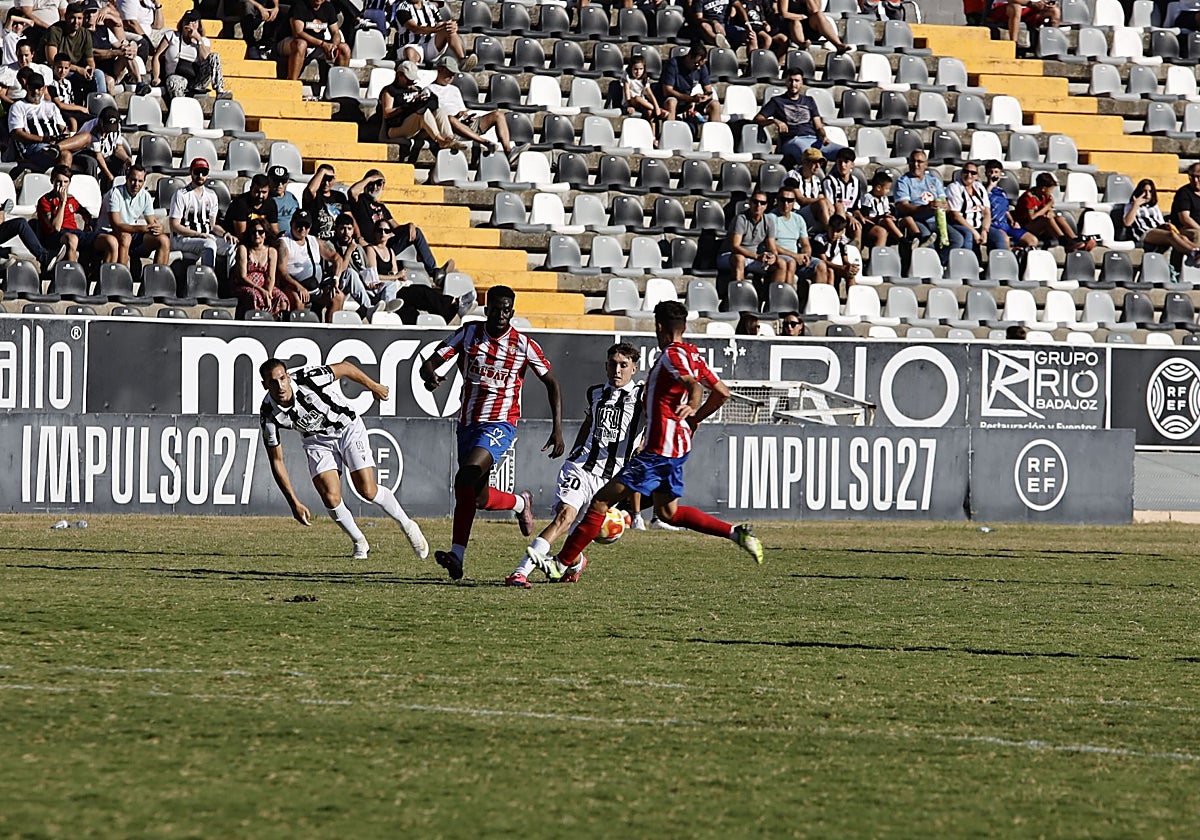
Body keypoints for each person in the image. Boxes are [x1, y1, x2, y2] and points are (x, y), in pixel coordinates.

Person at [533, 300, 763, 584]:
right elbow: (723, 393)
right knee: (669, 513)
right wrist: (694, 419)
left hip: (657, 450)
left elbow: (695, 386)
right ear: (685, 326)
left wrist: (692, 405)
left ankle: (561, 563)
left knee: (600, 501)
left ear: (658, 327)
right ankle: (735, 532)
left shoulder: (671, 355)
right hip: (677, 450)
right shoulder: (693, 354)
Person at [418, 285, 565, 581]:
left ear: (512, 311)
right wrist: (430, 376)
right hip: (468, 424)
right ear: (486, 310)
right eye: (495, 308)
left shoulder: (523, 345)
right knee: (478, 498)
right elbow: (430, 363)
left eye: (506, 309)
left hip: (500, 424)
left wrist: (557, 429)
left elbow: (552, 383)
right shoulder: (469, 333)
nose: (500, 314)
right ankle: (521, 503)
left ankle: (457, 555)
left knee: (466, 477)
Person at [504, 342, 646, 588]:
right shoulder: (595, 393)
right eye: (613, 365)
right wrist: (574, 449)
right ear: (605, 366)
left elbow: (659, 420)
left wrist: (644, 444)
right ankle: (520, 572)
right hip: (580, 467)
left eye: (624, 365)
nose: (618, 370)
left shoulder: (642, 396)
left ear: (634, 368)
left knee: (574, 537)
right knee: (564, 517)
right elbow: (588, 423)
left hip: (609, 481)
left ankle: (576, 563)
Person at [259, 358, 428, 563]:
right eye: (273, 382)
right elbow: (276, 460)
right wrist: (293, 503)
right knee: (330, 497)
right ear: (265, 385)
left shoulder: (307, 378)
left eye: (282, 378)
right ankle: (359, 541)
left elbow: (346, 367)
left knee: (367, 490)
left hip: (347, 427)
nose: (280, 385)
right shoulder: (268, 414)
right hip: (316, 441)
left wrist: (374, 386)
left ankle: (408, 525)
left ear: (287, 376)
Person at [348, 168, 456, 283]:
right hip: (371, 245)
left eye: (379, 184)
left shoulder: (382, 207)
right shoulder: (360, 200)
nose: (375, 187)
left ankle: (435, 273)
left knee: (416, 232)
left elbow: (395, 227)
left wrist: (409, 226)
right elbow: (352, 192)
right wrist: (370, 178)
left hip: (386, 245)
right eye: (372, 184)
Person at [358, 217, 473, 323]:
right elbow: (373, 277)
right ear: (375, 233)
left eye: (386, 231)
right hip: (382, 290)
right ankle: (453, 303)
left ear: (390, 234)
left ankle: (449, 315)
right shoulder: (371, 250)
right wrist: (396, 276)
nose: (383, 233)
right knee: (422, 292)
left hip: (394, 288)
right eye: (380, 230)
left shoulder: (390, 252)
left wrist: (400, 278)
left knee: (411, 312)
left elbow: (394, 273)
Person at [425, 54, 524, 162]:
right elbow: (432, 114)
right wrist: (455, 117)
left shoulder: (455, 89)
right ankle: (484, 142)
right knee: (450, 118)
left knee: (498, 114)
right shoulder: (429, 90)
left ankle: (509, 150)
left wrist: (465, 115)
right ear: (440, 70)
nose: (451, 77)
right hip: (449, 128)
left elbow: (462, 109)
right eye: (449, 73)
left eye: (453, 74)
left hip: (464, 123)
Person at [754, 68, 840, 165]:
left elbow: (819, 125)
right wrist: (774, 121)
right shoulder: (777, 101)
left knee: (844, 153)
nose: (793, 84)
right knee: (808, 154)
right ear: (786, 82)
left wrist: (824, 136)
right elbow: (758, 119)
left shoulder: (809, 101)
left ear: (802, 82)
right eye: (790, 80)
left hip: (813, 139)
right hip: (793, 140)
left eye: (797, 81)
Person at [168, 156, 238, 270]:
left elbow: (212, 225)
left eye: (204, 172)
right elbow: (174, 226)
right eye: (197, 172)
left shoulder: (211, 195)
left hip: (205, 235)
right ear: (191, 172)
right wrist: (197, 234)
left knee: (232, 245)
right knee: (209, 245)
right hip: (182, 238)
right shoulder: (181, 194)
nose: (200, 176)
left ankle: (231, 280)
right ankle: (207, 280)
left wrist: (225, 234)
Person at [8, 72, 88, 170]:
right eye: (33, 88)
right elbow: (17, 133)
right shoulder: (18, 106)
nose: (36, 92)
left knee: (87, 136)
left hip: (56, 143)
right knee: (65, 154)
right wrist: (43, 139)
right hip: (35, 147)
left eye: (39, 88)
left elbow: (62, 127)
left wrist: (67, 134)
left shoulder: (51, 106)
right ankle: (61, 181)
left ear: (44, 88)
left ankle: (56, 148)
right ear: (27, 87)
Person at [97, 162, 170, 265]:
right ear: (127, 178)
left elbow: (152, 221)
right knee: (125, 237)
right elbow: (116, 225)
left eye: (140, 181)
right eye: (133, 180)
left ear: (144, 182)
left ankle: (158, 277)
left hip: (132, 234)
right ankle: (123, 277)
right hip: (109, 233)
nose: (136, 184)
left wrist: (158, 227)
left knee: (163, 240)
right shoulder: (115, 194)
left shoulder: (145, 196)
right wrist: (141, 228)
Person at [892, 149, 963, 255]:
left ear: (926, 164)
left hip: (936, 220)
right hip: (916, 220)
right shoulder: (903, 181)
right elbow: (902, 207)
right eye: (912, 161)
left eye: (919, 162)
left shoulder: (933, 180)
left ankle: (940, 263)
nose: (916, 165)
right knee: (927, 239)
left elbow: (945, 202)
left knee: (957, 239)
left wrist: (945, 205)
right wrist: (925, 208)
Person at [377, 59, 460, 148]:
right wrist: (407, 106)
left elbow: (432, 106)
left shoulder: (416, 89)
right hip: (397, 128)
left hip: (417, 128)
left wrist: (425, 100)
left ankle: (450, 138)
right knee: (422, 113)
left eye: (413, 81)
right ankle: (440, 140)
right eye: (408, 80)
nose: (411, 83)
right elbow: (387, 113)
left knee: (439, 111)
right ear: (399, 75)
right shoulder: (391, 91)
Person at [36, 163, 109, 263]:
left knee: (109, 240)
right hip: (55, 236)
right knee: (72, 239)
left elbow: (85, 213)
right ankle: (72, 274)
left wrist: (88, 224)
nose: (62, 185)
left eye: (65, 182)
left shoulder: (72, 199)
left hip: (75, 232)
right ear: (52, 181)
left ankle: (107, 274)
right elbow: (56, 227)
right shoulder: (45, 200)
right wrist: (62, 202)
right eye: (58, 182)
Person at [276, 210, 342, 318]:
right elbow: (282, 271)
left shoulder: (314, 241)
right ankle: (299, 332)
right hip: (294, 285)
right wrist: (298, 287)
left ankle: (330, 332)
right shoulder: (284, 242)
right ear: (292, 223)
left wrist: (336, 278)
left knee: (338, 297)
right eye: (299, 225)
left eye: (306, 226)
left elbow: (337, 258)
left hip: (316, 286)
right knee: (298, 300)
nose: (302, 229)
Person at [1124, 178, 1200, 267]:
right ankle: (1194, 252)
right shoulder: (1131, 206)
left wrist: (1167, 225)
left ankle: (1197, 251)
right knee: (1171, 235)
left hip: (1158, 229)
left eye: (1150, 191)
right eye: (1144, 191)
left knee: (1183, 238)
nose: (1147, 195)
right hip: (1144, 232)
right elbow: (1127, 222)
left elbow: (1160, 221)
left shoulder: (1154, 206)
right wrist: (1136, 205)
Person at [151, 10, 227, 100]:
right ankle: (181, 104)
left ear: (199, 24)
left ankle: (220, 91)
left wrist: (198, 39)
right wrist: (156, 77)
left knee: (214, 56)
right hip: (176, 76)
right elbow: (157, 56)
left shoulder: (204, 41)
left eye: (194, 22)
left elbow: (205, 58)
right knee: (175, 81)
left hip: (196, 78)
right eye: (187, 21)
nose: (190, 24)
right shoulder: (172, 36)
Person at [718, 188, 787, 286]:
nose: (758, 205)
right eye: (755, 202)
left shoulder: (769, 221)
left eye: (762, 203)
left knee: (781, 263)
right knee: (739, 259)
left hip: (754, 258)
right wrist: (757, 256)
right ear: (750, 203)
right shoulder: (741, 219)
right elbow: (735, 246)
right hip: (729, 255)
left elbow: (771, 245)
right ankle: (738, 294)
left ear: (766, 206)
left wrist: (773, 256)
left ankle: (773, 297)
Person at [768, 184, 826, 297]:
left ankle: (817, 303)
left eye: (790, 200)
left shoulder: (798, 219)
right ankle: (786, 300)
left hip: (796, 256)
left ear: (794, 202)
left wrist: (806, 255)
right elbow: (772, 245)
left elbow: (805, 244)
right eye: (783, 200)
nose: (786, 204)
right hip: (779, 255)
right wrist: (795, 256)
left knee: (821, 265)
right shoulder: (770, 218)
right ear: (777, 200)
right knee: (790, 262)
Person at [43, 2, 107, 98]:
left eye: (79, 18)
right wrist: (78, 69)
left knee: (98, 74)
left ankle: (101, 106)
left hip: (75, 70)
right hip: (57, 69)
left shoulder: (85, 34)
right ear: (66, 16)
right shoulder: (55, 31)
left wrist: (90, 69)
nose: (76, 21)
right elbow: (52, 60)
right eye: (73, 18)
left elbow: (90, 60)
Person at [277, 0, 349, 82]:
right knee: (301, 44)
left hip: (317, 46)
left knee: (344, 48)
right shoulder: (300, 5)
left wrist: (333, 46)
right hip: (291, 42)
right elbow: (298, 32)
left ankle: (339, 86)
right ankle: (292, 83)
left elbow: (335, 32)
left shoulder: (328, 7)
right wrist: (322, 44)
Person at [1014, 172, 1084, 252]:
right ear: (1043, 188)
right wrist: (1047, 206)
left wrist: (1050, 211)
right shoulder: (1028, 198)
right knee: (1046, 220)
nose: (1051, 192)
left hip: (1040, 225)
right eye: (1050, 189)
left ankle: (1074, 239)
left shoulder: (1045, 196)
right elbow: (1032, 217)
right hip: (1026, 227)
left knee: (1059, 217)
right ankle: (1064, 242)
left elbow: (1049, 208)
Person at [655, 43, 721, 126]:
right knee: (672, 102)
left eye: (700, 65)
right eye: (696, 64)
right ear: (689, 56)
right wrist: (691, 99)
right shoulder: (673, 64)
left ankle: (715, 134)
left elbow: (709, 91)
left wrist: (702, 98)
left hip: (689, 101)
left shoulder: (701, 67)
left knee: (715, 105)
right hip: (673, 99)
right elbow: (667, 90)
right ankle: (670, 132)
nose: (698, 68)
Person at [393, 0, 473, 68]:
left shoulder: (430, 6)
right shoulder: (402, 8)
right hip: (411, 45)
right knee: (410, 52)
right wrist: (435, 29)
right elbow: (415, 29)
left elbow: (441, 24)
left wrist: (451, 26)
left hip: (430, 45)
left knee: (449, 29)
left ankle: (462, 60)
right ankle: (412, 77)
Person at [233, 221, 289, 317]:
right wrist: (261, 291)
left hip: (265, 286)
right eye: (253, 232)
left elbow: (271, 277)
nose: (257, 235)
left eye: (260, 232)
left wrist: (268, 293)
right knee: (256, 296)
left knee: (282, 298)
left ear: (265, 234)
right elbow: (242, 277)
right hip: (246, 285)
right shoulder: (243, 249)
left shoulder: (271, 251)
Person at [983, 159, 1038, 251]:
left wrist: (1013, 221)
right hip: (993, 225)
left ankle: (1020, 256)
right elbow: (982, 200)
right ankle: (1010, 260)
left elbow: (1006, 210)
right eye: (991, 172)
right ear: (986, 173)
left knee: (1032, 240)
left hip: (1005, 224)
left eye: (996, 172)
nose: (993, 174)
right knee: (1005, 240)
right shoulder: (983, 190)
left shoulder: (1001, 192)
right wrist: (991, 186)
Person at [73, 103, 130, 188]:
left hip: (106, 154)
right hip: (87, 153)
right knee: (91, 162)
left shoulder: (116, 126)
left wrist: (127, 159)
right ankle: (93, 188)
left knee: (122, 163)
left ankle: (120, 189)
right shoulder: (92, 128)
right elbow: (98, 156)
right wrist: (109, 176)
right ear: (100, 121)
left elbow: (118, 149)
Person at [855, 170, 912, 249]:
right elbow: (865, 217)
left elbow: (887, 211)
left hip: (885, 221)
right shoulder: (867, 198)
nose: (888, 191)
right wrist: (881, 217)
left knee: (908, 219)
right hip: (873, 223)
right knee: (886, 221)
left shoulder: (884, 198)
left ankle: (918, 238)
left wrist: (891, 216)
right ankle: (903, 241)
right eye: (887, 189)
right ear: (878, 188)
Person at [945, 162, 991, 257]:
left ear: (977, 176)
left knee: (999, 237)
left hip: (979, 225)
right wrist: (973, 231)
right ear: (961, 173)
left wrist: (984, 230)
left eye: (973, 173)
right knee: (968, 234)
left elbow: (987, 212)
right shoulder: (954, 187)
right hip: (961, 224)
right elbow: (955, 215)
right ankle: (966, 263)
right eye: (966, 172)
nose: (969, 175)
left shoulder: (980, 188)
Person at [811, 215, 860, 295]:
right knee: (830, 271)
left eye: (838, 231)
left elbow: (845, 259)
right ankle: (831, 299)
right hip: (819, 266)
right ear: (828, 227)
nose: (834, 234)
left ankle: (852, 300)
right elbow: (824, 261)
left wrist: (850, 267)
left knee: (850, 274)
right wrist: (841, 268)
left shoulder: (842, 240)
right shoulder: (819, 239)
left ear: (843, 231)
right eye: (832, 230)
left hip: (832, 266)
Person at [621, 54, 667, 137]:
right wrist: (629, 105)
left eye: (641, 69)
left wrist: (656, 106)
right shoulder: (627, 77)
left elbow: (650, 94)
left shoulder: (644, 79)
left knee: (650, 113)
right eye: (635, 69)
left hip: (642, 103)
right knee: (638, 98)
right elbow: (627, 92)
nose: (638, 72)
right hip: (631, 101)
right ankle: (660, 110)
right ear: (631, 68)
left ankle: (653, 137)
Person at [303, 163, 351, 241]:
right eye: (323, 179)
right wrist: (323, 171)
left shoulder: (340, 196)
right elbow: (310, 190)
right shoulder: (313, 196)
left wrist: (358, 236)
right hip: (319, 240)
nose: (326, 183)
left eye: (329, 179)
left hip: (338, 240)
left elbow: (349, 218)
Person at [821, 147, 860, 240]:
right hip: (834, 216)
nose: (842, 165)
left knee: (857, 227)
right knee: (839, 207)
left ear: (852, 164)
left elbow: (855, 207)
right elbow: (832, 206)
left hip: (850, 215)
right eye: (839, 162)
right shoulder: (829, 181)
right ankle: (841, 239)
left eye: (846, 162)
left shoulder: (856, 181)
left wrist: (860, 217)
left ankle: (856, 253)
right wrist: (849, 217)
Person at [223, 173, 279, 239]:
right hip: (236, 239)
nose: (260, 196)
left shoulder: (271, 203)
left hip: (260, 238)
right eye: (257, 192)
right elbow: (241, 235)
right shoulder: (240, 203)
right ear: (251, 189)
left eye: (264, 192)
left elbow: (274, 230)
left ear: (268, 191)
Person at [989, 0, 1060, 49]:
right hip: (1004, 7)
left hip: (1030, 9)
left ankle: (1051, 44)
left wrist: (1045, 3)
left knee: (1055, 11)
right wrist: (1030, 3)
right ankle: (1013, 44)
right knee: (1016, 8)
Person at [47, 54, 90, 131]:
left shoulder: (68, 83)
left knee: (92, 119)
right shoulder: (51, 84)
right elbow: (59, 104)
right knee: (73, 122)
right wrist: (80, 108)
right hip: (61, 112)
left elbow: (71, 102)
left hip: (71, 110)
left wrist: (78, 110)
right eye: (60, 67)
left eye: (66, 68)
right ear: (54, 66)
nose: (63, 71)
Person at [1169, 162, 1200, 257]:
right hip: (1184, 229)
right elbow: (1185, 219)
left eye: (1198, 177)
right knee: (1197, 234)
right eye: (1192, 176)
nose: (1195, 180)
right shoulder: (1184, 193)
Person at [268, 164, 297, 233]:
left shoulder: (291, 197)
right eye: (276, 181)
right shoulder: (265, 199)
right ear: (269, 180)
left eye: (283, 181)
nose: (279, 185)